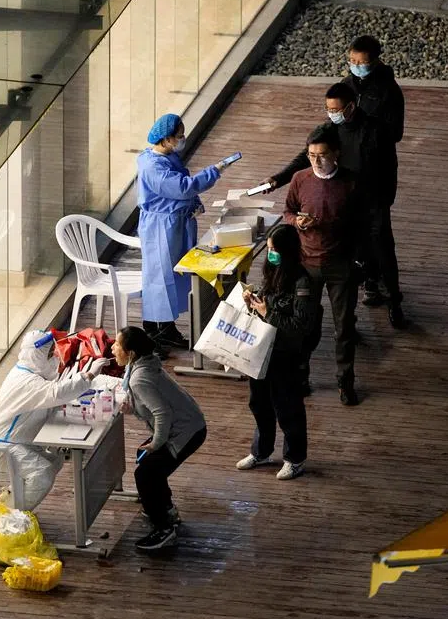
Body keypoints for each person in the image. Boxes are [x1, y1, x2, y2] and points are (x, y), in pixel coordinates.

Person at [0, 329, 111, 510]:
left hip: (14, 441)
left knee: (54, 461)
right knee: (42, 473)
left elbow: (50, 397)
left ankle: (13, 498)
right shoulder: (27, 381)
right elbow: (56, 393)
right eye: (49, 353)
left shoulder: (29, 372)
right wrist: (88, 376)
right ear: (37, 354)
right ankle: (12, 516)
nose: (54, 356)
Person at [136, 113, 234, 354]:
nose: (182, 140)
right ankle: (154, 331)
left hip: (175, 223)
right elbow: (182, 187)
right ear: (166, 138)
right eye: (178, 137)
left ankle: (166, 328)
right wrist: (215, 170)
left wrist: (194, 203)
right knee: (160, 278)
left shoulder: (168, 155)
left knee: (176, 273)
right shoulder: (152, 165)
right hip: (161, 227)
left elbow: (183, 181)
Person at [281, 123, 363, 406]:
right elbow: (288, 211)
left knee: (344, 327)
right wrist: (297, 221)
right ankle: (302, 375)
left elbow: (363, 224)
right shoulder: (300, 179)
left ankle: (345, 381)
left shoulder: (352, 183)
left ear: (336, 154)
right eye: (312, 155)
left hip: (341, 266)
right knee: (305, 324)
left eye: (322, 155)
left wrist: (359, 260)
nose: (316, 160)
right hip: (307, 265)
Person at [236, 223, 322, 479]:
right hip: (262, 350)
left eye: (274, 250)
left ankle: (295, 458)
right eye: (269, 250)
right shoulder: (273, 272)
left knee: (288, 406)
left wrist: (268, 313)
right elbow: (265, 299)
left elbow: (300, 326)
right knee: (259, 402)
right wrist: (253, 302)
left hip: (286, 354)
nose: (270, 255)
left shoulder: (302, 282)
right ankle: (261, 451)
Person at [112, 326, 207, 551]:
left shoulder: (139, 378)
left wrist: (156, 444)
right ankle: (164, 508)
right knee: (146, 461)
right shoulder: (144, 363)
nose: (113, 347)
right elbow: (151, 400)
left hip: (186, 432)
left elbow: (162, 413)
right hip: (190, 423)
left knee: (145, 473)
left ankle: (163, 527)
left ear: (131, 353)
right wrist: (132, 407)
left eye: (117, 344)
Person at [342, 36, 407, 326]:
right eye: (352, 61)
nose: (356, 67)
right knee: (355, 238)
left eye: (362, 63)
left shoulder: (390, 92)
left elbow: (395, 133)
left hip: (378, 179)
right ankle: (369, 278)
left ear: (376, 61)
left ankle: (394, 299)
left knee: (382, 238)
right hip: (349, 178)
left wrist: (362, 126)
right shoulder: (345, 88)